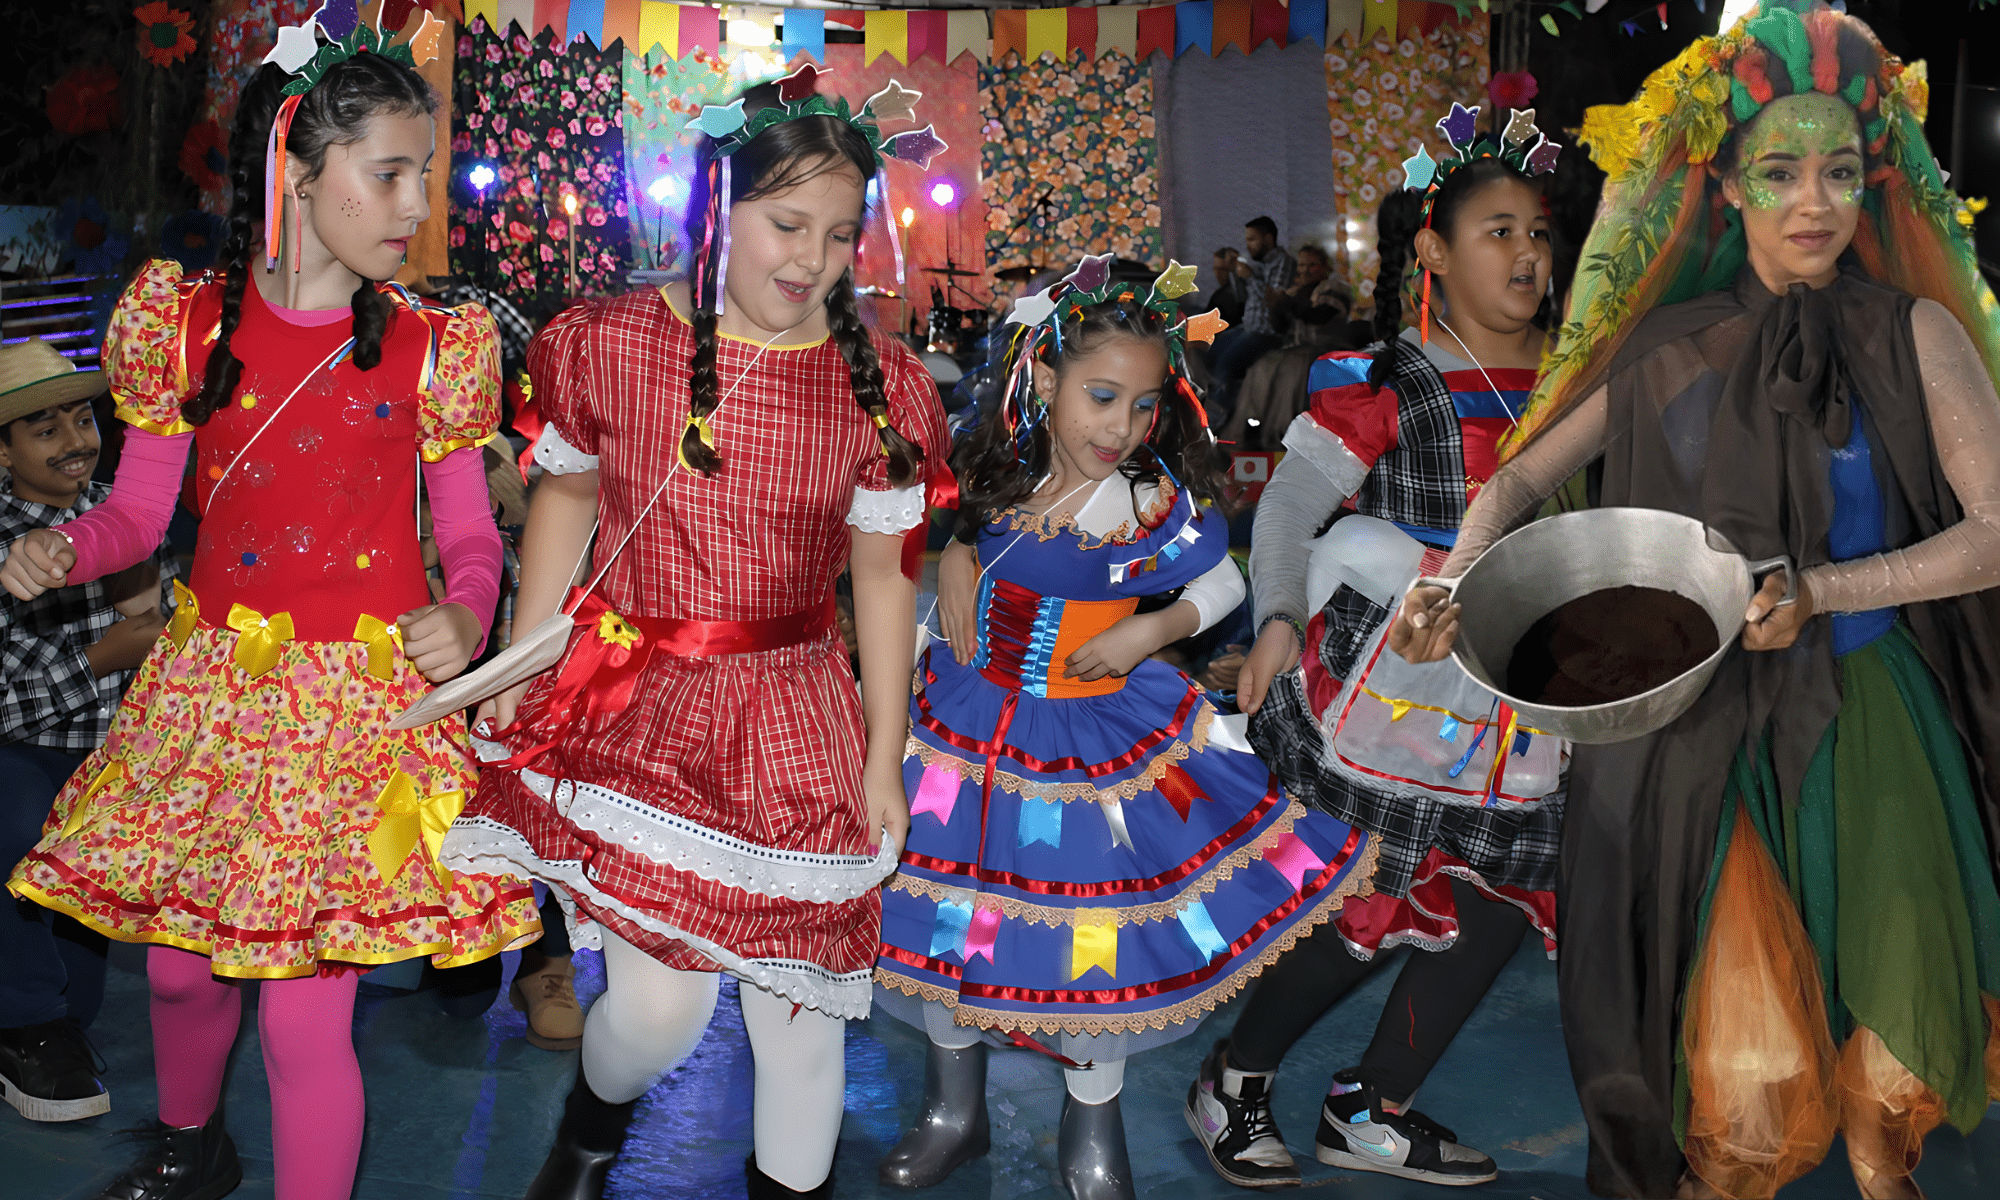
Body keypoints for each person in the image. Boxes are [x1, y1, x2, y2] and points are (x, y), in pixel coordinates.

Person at [1392, 4, 2000, 1196]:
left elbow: (1993, 537)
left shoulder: (1917, 333)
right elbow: (1520, 474)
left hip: (1869, 728)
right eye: (1778, 171)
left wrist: (1822, 590)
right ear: (1723, 188)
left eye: (1836, 170)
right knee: (1740, 1082)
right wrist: (1451, 576)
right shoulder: (1668, 343)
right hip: (1694, 737)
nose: (1812, 201)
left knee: (1888, 1096)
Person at [1, 13, 540, 1198]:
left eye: (426, 175)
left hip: (362, 718)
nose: (414, 203)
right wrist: (63, 546)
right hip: (213, 693)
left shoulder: (434, 343)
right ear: (294, 168)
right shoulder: (182, 322)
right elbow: (140, 516)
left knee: (305, 1018)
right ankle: (195, 1149)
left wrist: (472, 601)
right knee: (184, 974)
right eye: (388, 172)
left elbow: (463, 521)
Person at [438, 68, 951, 1200]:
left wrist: (880, 753)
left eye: (836, 232)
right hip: (643, 704)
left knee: (802, 1017)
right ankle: (589, 1129)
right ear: (716, 211)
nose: (811, 258)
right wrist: (523, 660)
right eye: (784, 223)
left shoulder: (881, 394)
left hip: (797, 713)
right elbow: (568, 499)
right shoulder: (609, 341)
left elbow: (881, 581)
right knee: (657, 1017)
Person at [872, 257, 1375, 1200]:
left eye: (1145, 406)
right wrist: (957, 558)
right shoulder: (994, 478)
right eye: (1104, 397)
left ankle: (1090, 1127)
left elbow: (1219, 577)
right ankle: (953, 1109)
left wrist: (1161, 624)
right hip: (966, 734)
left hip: (1096, 745)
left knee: (1091, 937)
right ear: (1045, 380)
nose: (1125, 427)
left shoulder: (1149, 499)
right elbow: (950, 572)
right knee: (948, 922)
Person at [1184, 103, 1565, 1190]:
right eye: (1497, 231)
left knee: (1499, 904)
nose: (1525, 254)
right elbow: (1288, 518)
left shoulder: (1579, 376)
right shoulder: (1385, 380)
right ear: (1435, 249)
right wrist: (1270, 625)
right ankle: (1236, 1077)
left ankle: (1370, 1107)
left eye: (1536, 232)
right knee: (1363, 909)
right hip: (1393, 694)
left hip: (1525, 691)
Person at [0, 341, 176, 1125]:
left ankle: (48, 1011)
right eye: (44, 428)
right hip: (17, 755)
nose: (75, 439)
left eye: (82, 417)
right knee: (15, 825)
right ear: (2, 452)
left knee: (88, 992)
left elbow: (161, 632)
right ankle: (27, 1027)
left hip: (101, 759)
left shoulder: (123, 511)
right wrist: (111, 651)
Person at [1220, 245, 1359, 450]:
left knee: (1293, 370)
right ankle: (1251, 428)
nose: (1305, 270)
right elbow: (1280, 328)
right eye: (1302, 265)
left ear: (1324, 267)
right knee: (1262, 366)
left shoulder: (1332, 288)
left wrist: (1286, 303)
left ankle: (1283, 433)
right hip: (1294, 348)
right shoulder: (1293, 292)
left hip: (1325, 347)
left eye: (1312, 265)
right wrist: (1275, 307)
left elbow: (1319, 316)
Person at [1207, 218, 1296, 423]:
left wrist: (1250, 277)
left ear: (1268, 238)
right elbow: (1241, 300)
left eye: (1253, 239)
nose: (1248, 245)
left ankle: (1216, 422)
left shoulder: (1284, 263)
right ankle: (1209, 408)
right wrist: (1234, 275)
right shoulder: (1259, 265)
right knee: (1207, 352)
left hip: (1268, 334)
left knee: (1224, 366)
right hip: (1247, 328)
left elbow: (1274, 302)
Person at [1202, 247, 1247, 330]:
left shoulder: (1223, 296)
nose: (1218, 274)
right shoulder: (1219, 295)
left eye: (1223, 270)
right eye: (1215, 269)